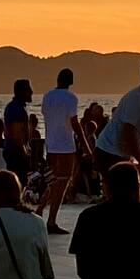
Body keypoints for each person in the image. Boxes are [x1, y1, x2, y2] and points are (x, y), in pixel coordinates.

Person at [41, 67, 82, 234]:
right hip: (65, 146)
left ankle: (40, 209)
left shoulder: (47, 96)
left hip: (51, 145)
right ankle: (51, 220)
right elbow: (74, 123)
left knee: (54, 181)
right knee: (63, 181)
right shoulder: (71, 98)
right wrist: (86, 145)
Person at [2, 79, 34, 179]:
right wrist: (24, 152)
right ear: (21, 92)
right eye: (28, 90)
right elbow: (17, 134)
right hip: (16, 153)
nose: (32, 92)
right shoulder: (17, 108)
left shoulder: (15, 107)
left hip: (13, 151)